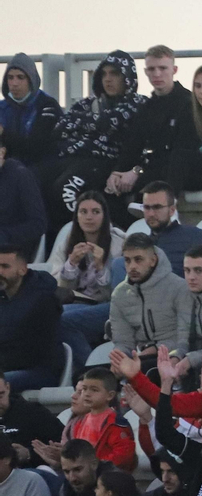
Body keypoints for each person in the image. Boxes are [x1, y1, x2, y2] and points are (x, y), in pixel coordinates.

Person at [36, 51, 143, 236]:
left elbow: (110, 121)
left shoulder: (138, 103)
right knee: (32, 179)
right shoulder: (88, 103)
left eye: (115, 74)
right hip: (73, 158)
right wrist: (98, 124)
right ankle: (52, 241)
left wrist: (85, 125)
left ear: (127, 77)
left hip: (106, 163)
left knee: (66, 189)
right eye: (104, 74)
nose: (108, 79)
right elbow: (61, 127)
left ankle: (84, 234)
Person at [105, 46, 199, 205]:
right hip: (151, 169)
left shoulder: (188, 103)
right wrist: (117, 172)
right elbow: (133, 146)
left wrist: (137, 171)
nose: (157, 74)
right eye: (151, 69)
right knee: (108, 190)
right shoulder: (146, 108)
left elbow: (181, 154)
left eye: (162, 68)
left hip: (176, 172)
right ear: (146, 72)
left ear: (174, 70)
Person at [49, 192, 125, 367]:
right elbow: (59, 288)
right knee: (50, 314)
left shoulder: (118, 243)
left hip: (106, 305)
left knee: (63, 318)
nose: (89, 217)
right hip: (77, 300)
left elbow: (112, 294)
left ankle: (90, 369)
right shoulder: (68, 242)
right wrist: (72, 263)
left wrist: (100, 266)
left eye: (95, 212)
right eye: (83, 212)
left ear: (104, 215)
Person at [108, 234, 184, 362]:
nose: (132, 266)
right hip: (143, 358)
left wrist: (156, 349)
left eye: (138, 260)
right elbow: (123, 342)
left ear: (153, 260)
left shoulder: (179, 288)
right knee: (85, 376)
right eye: (127, 260)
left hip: (176, 357)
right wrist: (118, 359)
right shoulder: (120, 294)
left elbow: (187, 336)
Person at [0, 243, 62, 392]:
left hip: (38, 372)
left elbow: (32, 353)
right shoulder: (3, 298)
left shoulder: (43, 301)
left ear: (23, 269)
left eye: (5, 267)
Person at [0, 53, 62, 167]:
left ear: (31, 79)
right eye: (10, 77)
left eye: (20, 77)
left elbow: (36, 148)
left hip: (40, 171)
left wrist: (3, 133)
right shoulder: (3, 108)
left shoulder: (47, 106)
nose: (14, 83)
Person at [137, 181, 202, 273]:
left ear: (172, 210)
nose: (151, 213)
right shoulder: (142, 244)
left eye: (157, 207)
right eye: (147, 207)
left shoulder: (193, 236)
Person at [0, 375, 65, 470]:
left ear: (8, 387)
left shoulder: (34, 412)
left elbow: (63, 447)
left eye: (0, 396)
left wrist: (28, 454)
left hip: (30, 471)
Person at [0, 124, 45, 251]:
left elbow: (38, 224)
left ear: (2, 152)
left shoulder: (20, 175)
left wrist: (5, 234)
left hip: (12, 249)